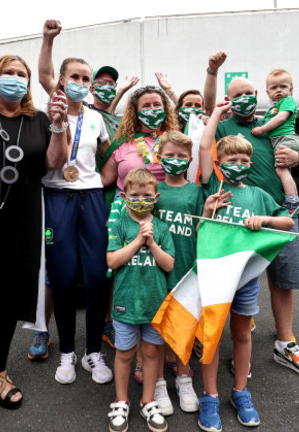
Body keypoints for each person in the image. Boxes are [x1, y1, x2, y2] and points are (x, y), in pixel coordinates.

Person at [0, 54, 68, 410]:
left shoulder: (38, 120)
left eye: (22, 74)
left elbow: (53, 163)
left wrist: (60, 125)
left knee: (8, 295)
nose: (16, 79)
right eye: (9, 73)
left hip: (22, 220)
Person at [203, 58, 299, 380]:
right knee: (238, 283)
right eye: (235, 95)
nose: (243, 100)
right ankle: (241, 351)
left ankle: (286, 342)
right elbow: (208, 107)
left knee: (283, 280)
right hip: (239, 215)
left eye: (247, 93)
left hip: (278, 211)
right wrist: (212, 72)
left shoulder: (271, 120)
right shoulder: (224, 127)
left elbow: (290, 146)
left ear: (257, 94)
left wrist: (297, 155)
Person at [197, 106, 295, 430]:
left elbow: (287, 220)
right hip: (214, 279)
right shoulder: (212, 189)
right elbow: (203, 145)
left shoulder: (258, 194)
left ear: (250, 164)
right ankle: (209, 396)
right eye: (231, 161)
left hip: (246, 279)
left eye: (243, 161)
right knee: (211, 336)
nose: (237, 165)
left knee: (241, 335)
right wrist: (209, 212)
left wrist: (264, 220)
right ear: (218, 164)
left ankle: (241, 391)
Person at [38, 41, 113, 383]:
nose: (82, 83)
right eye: (76, 77)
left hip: (93, 198)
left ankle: (93, 352)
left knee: (98, 277)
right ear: (62, 80)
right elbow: (54, 162)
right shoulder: (45, 115)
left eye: (87, 78)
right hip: (57, 200)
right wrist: (48, 39)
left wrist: (105, 179)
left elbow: (109, 155)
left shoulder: (96, 117)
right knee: (64, 279)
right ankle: (67, 352)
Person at [100, 85, 179, 384]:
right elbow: (104, 180)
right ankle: (129, 347)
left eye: (157, 104)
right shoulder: (122, 145)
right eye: (145, 105)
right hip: (125, 216)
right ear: (135, 111)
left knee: (165, 277)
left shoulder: (172, 142)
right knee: (126, 275)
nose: (152, 109)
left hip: (162, 216)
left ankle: (164, 352)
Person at [106, 168, 175, 432]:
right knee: (124, 353)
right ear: (124, 196)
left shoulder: (162, 227)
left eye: (146, 195)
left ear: (156, 197)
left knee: (150, 353)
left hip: (154, 305)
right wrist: (137, 241)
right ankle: (121, 401)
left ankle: (148, 401)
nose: (141, 199)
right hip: (125, 302)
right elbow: (112, 260)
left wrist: (153, 243)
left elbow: (168, 264)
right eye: (134, 195)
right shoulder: (119, 224)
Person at [153, 130, 204, 415]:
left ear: (190, 159)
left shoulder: (196, 192)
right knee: (157, 329)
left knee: (183, 328)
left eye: (181, 156)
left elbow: (201, 230)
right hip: (158, 269)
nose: (175, 160)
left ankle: (184, 379)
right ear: (160, 158)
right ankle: (159, 381)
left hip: (187, 268)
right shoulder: (154, 189)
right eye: (169, 155)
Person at [251, 69, 299, 212]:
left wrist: (261, 129)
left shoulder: (287, 102)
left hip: (285, 139)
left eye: (283, 87)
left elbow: (280, 119)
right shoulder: (273, 109)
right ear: (267, 92)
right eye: (274, 88)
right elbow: (267, 119)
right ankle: (293, 198)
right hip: (279, 140)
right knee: (282, 169)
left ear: (291, 90)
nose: (279, 90)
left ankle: (293, 199)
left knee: (281, 169)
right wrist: (255, 118)